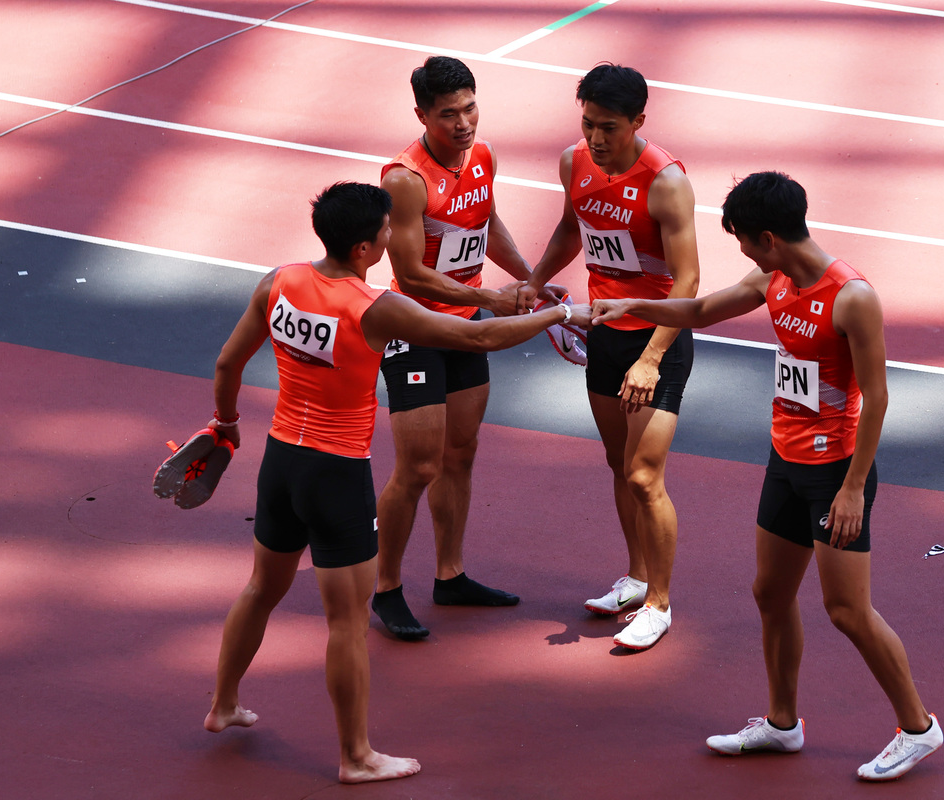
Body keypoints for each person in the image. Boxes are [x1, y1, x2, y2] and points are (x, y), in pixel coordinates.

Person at [202, 182, 589, 783]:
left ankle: (223, 703)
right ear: (363, 247)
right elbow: (478, 336)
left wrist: (226, 426)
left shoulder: (277, 281)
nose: (392, 236)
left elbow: (227, 363)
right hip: (336, 473)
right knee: (347, 624)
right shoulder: (374, 306)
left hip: (281, 461)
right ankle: (356, 757)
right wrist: (559, 314)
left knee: (259, 589)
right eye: (385, 230)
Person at [590, 171, 942, 780]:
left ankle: (918, 727)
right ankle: (783, 725)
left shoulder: (852, 297)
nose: (744, 252)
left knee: (847, 610)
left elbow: (879, 398)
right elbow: (701, 308)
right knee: (770, 594)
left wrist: (855, 487)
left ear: (771, 236)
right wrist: (634, 304)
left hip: (836, 472)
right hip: (785, 460)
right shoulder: (771, 276)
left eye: (746, 241)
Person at [373, 56, 564, 640]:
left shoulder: (482, 158)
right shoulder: (404, 180)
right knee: (419, 466)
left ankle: (450, 575)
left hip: (465, 328)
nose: (463, 123)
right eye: (448, 114)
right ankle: (385, 589)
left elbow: (486, 221)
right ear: (422, 115)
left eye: (470, 108)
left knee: (461, 454)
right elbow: (409, 272)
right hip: (417, 330)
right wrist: (487, 297)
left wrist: (529, 279)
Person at [518, 64, 700, 651]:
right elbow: (573, 226)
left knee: (647, 476)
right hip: (605, 331)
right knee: (619, 463)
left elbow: (689, 279)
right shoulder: (575, 162)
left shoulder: (665, 182)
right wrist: (535, 277)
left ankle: (660, 603)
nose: (596, 139)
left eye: (610, 128)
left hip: (656, 340)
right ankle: (636, 575)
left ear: (639, 122)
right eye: (589, 123)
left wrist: (649, 359)